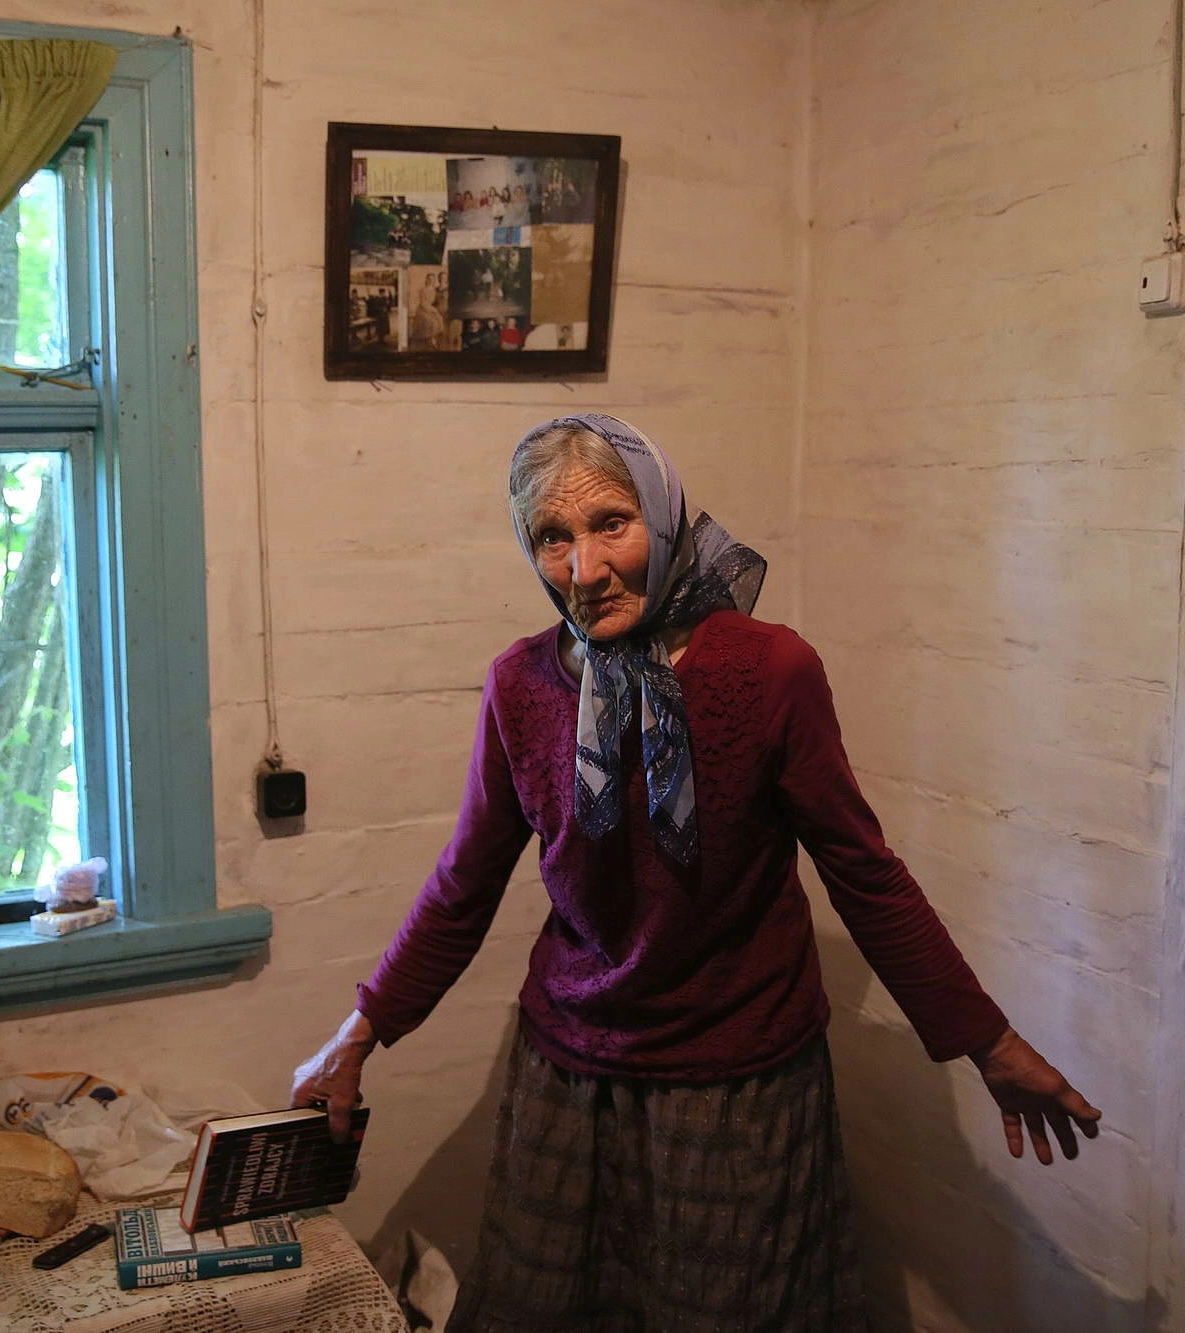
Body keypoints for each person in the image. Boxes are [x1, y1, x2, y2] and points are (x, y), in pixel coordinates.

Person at [291, 414, 1101, 1331]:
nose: (585, 570)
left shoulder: (771, 671)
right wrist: (358, 1033)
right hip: (568, 1078)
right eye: (551, 538)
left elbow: (864, 874)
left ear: (666, 514)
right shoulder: (520, 685)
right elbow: (463, 883)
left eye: (611, 524)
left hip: (739, 1086)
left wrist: (987, 1043)